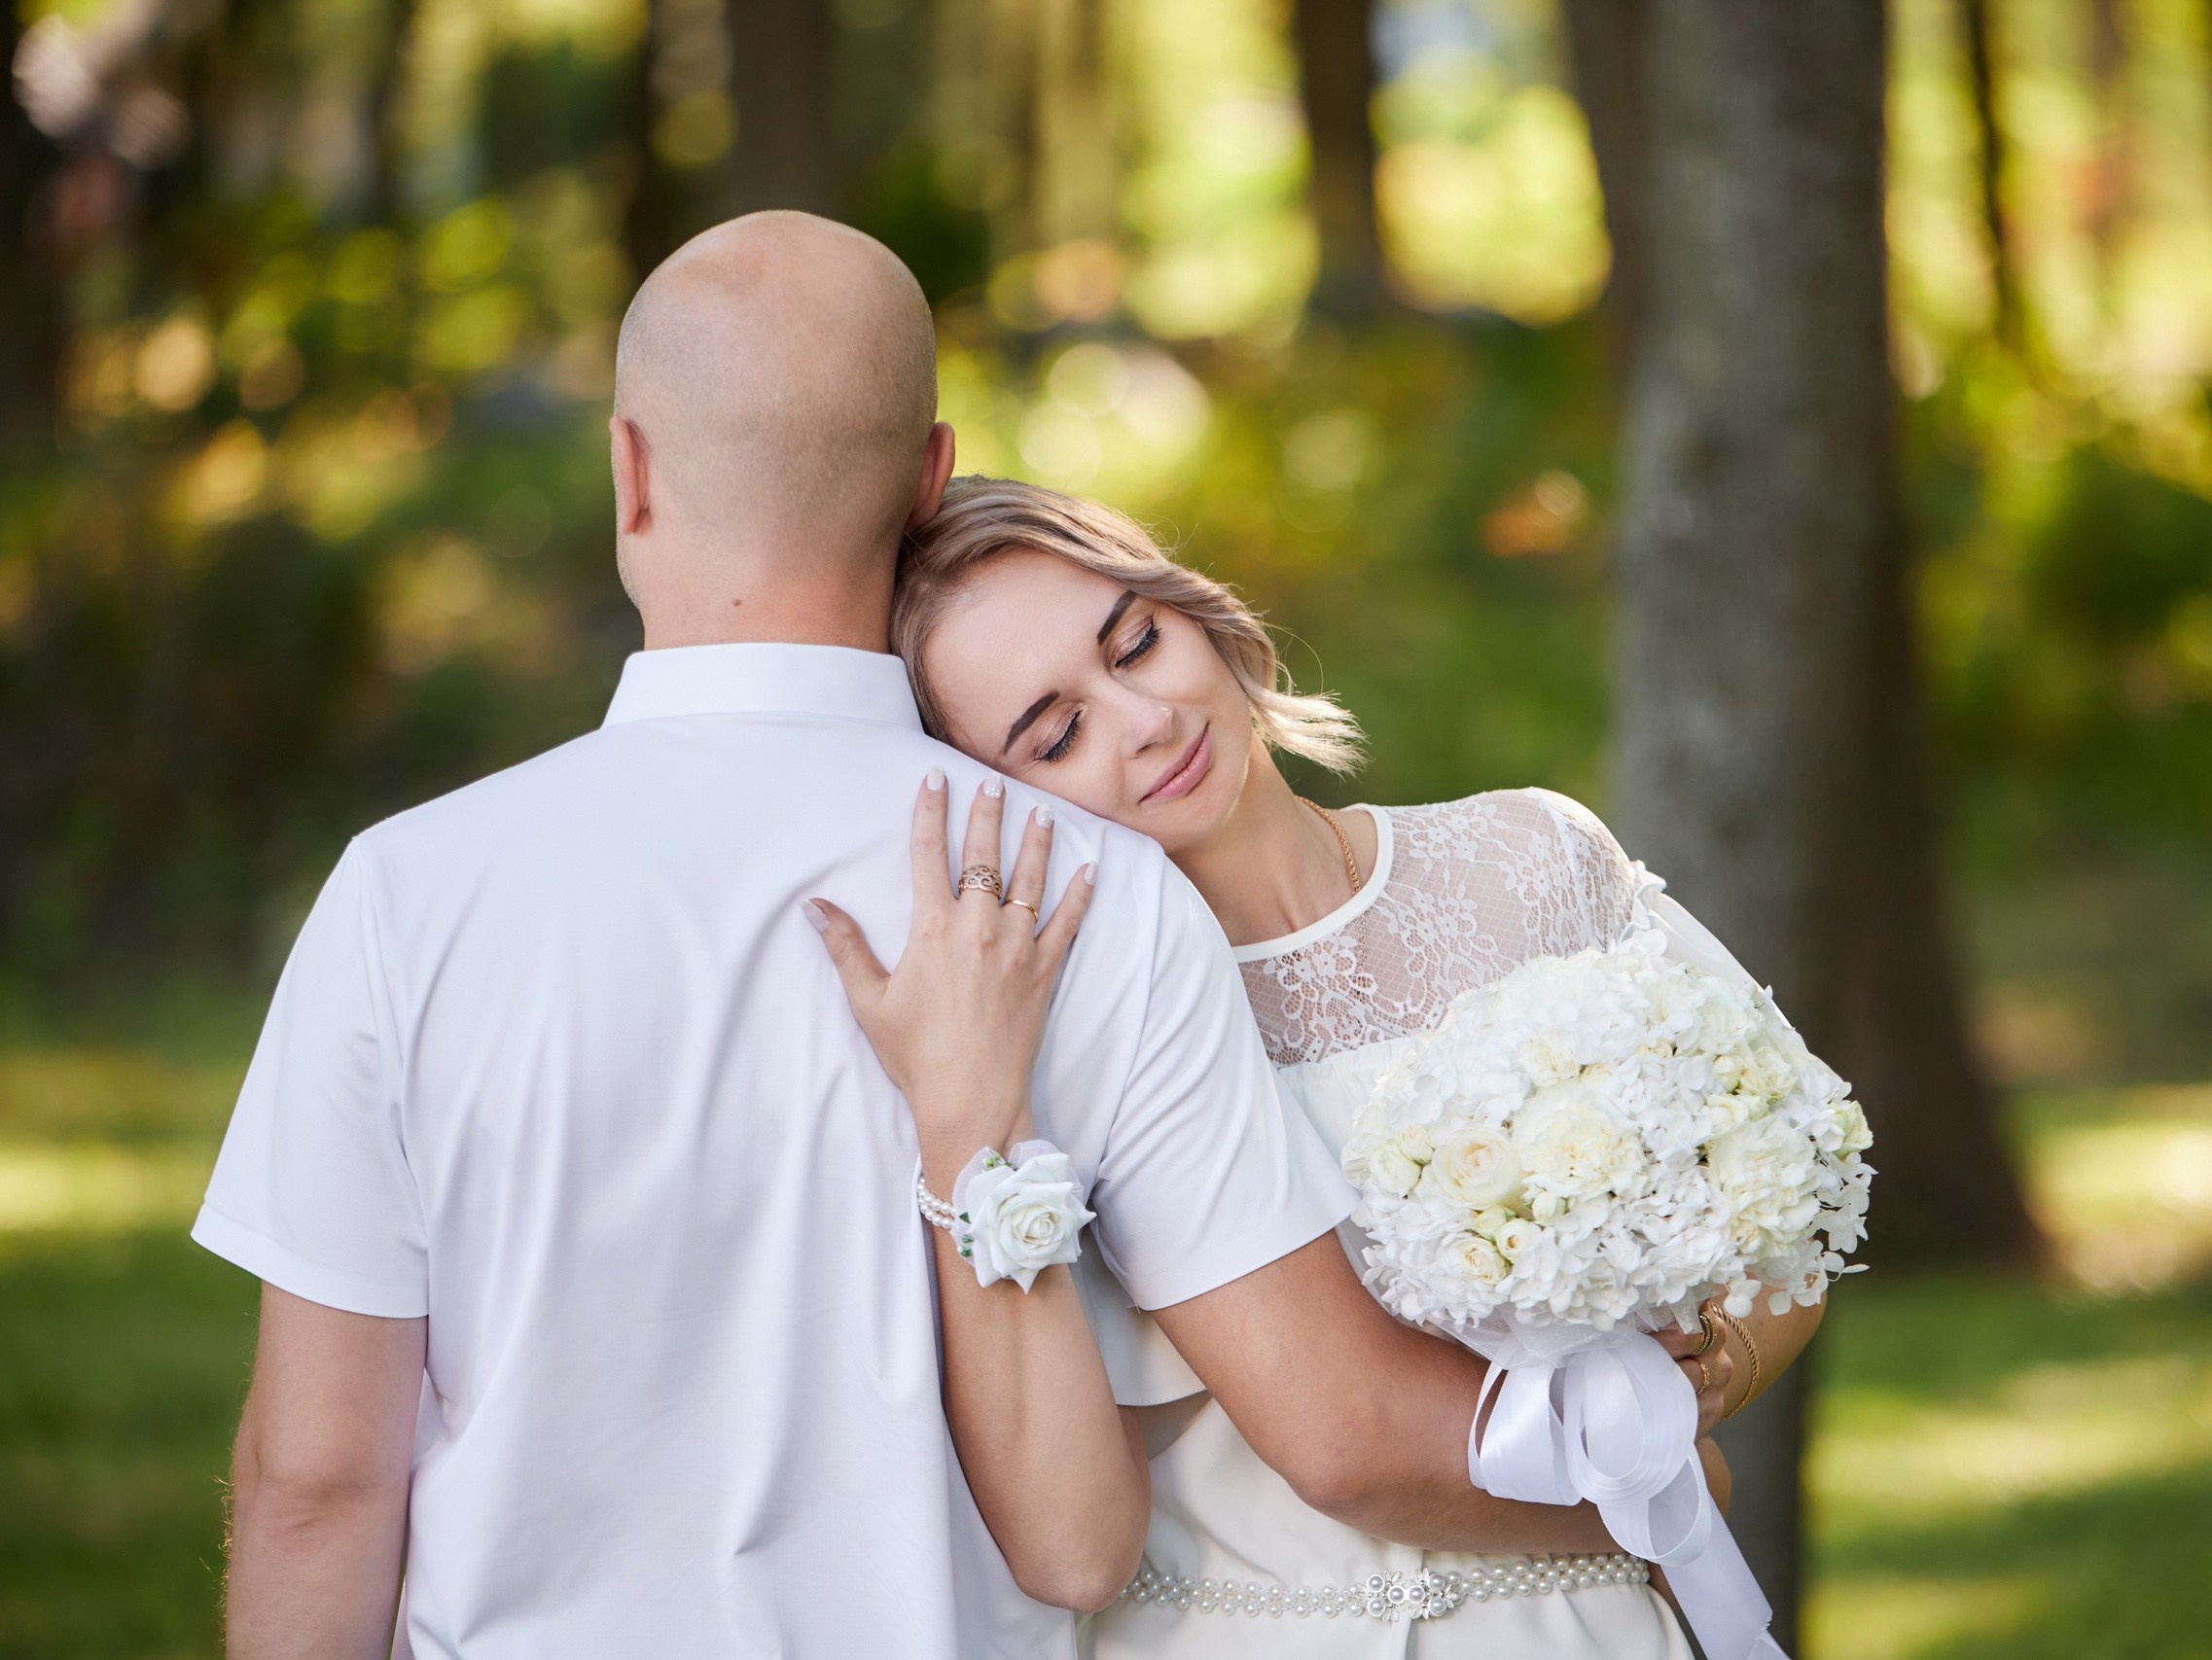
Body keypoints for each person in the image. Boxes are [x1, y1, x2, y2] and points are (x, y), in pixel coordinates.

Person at [196, 213, 1640, 1660]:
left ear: (630, 472)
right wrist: (1661, 1463)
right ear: (929, 477)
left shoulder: (405, 894)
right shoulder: (1092, 889)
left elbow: (319, 1478)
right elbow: (1301, 1427)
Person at [838, 476, 1832, 1658]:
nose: (1142, 721)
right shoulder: (1051, 1038)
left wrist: (1703, 1379)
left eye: (1136, 645)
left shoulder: (1530, 858)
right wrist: (1683, 1490)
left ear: (1200, 616)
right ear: (999, 798)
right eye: (1056, 733)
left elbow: (1795, 1208)